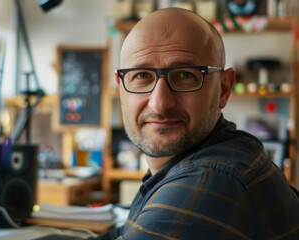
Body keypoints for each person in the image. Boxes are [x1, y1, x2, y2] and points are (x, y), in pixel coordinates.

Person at [96, 8, 299, 240]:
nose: (160, 104)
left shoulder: (213, 181)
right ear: (121, 87)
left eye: (185, 75)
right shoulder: (206, 155)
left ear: (223, 88)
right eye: (142, 75)